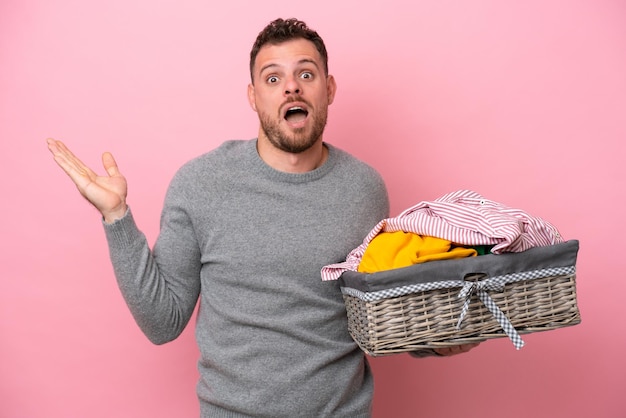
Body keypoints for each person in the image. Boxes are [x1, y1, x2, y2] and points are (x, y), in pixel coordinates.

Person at [47, 18, 477, 418]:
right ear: (253, 96)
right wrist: (117, 217)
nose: (291, 88)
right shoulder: (201, 183)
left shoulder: (365, 188)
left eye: (305, 74)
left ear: (328, 89)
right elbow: (162, 323)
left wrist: (438, 344)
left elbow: (373, 313)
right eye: (273, 78)